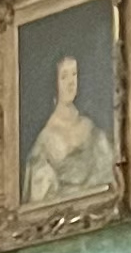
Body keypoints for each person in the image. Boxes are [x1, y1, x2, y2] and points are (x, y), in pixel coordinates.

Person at [23, 47, 117, 208]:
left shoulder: (90, 127)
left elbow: (111, 175)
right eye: (64, 77)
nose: (71, 83)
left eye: (74, 74)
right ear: (54, 83)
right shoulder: (46, 140)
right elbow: (41, 201)